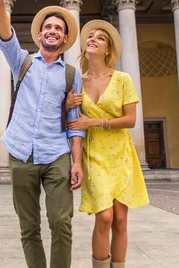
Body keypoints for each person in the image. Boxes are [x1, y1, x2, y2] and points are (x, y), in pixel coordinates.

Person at [0, 0, 85, 268]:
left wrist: (77, 162)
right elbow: (6, 36)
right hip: (22, 154)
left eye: (58, 28)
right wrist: (0, 4)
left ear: (65, 39)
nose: (52, 31)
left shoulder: (71, 75)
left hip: (57, 153)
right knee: (29, 229)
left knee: (61, 223)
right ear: (39, 35)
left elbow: (74, 122)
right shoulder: (23, 62)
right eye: (48, 27)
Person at [66, 19, 149, 268]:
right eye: (90, 36)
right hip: (94, 156)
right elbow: (73, 126)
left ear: (108, 50)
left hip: (122, 154)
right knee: (104, 217)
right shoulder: (76, 82)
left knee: (121, 220)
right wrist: (67, 106)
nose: (92, 38)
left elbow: (131, 120)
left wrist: (94, 123)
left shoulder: (123, 79)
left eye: (100, 38)